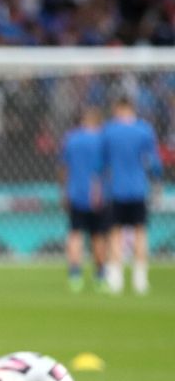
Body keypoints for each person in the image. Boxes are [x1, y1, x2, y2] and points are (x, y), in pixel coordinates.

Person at [102, 96, 161, 294]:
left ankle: (116, 278)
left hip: (116, 189)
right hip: (138, 188)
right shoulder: (144, 130)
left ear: (118, 109)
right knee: (140, 232)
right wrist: (157, 182)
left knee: (115, 232)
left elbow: (101, 163)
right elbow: (154, 163)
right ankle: (140, 279)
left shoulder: (109, 130)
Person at [59, 107, 108, 292]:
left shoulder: (71, 139)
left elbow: (64, 168)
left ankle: (75, 275)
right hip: (98, 195)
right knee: (98, 235)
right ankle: (100, 276)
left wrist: (64, 192)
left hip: (76, 193)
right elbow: (106, 169)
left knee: (75, 233)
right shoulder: (102, 141)